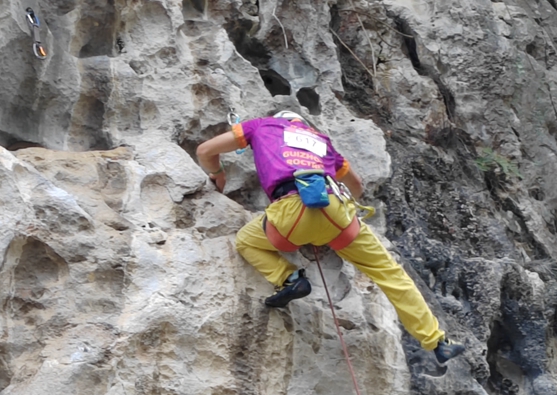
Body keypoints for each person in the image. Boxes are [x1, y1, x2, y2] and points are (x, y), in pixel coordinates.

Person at [196, 110, 465, 363]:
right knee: (391, 273)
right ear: (303, 125)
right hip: (337, 213)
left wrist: (218, 175)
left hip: (291, 215)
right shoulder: (322, 141)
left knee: (245, 240)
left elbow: (205, 151)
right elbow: (356, 186)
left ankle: (288, 278)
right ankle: (437, 342)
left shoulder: (262, 125)